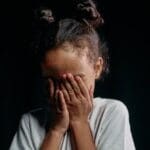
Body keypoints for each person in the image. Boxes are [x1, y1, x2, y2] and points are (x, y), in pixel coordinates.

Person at [9, 0, 136, 149]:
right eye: (52, 80)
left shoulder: (111, 112)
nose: (64, 91)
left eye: (74, 80)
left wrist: (79, 122)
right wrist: (56, 130)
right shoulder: (30, 122)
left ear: (97, 68)